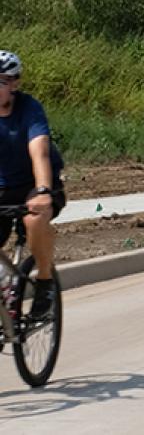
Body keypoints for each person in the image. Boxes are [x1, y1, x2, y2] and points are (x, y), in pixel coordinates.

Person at [0, 50, 67, 319]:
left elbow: (39, 152)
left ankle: (44, 281)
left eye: (1, 81)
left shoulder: (29, 109)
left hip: (37, 183)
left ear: (15, 83)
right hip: (3, 188)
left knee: (34, 219)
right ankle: (6, 284)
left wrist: (42, 191)